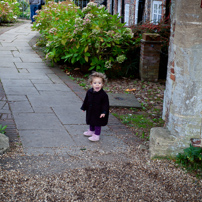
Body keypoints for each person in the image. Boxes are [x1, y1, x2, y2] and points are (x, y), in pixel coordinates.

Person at [81, 72, 109, 142]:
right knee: (91, 120)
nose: (97, 84)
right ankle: (91, 130)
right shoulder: (89, 92)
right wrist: (84, 107)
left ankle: (96, 135)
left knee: (97, 123)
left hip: (99, 112)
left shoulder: (103, 95)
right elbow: (86, 100)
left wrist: (103, 112)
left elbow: (105, 104)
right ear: (91, 84)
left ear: (102, 84)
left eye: (99, 83)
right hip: (91, 110)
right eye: (95, 83)